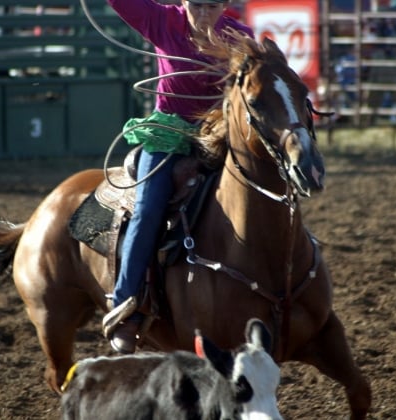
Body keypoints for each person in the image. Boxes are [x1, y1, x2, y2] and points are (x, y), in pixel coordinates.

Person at [103, 0, 254, 354]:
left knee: (260, 192)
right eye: (196, 3)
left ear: (225, 5)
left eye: (212, 5)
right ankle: (126, 306)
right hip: (168, 133)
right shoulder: (162, 21)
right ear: (183, 2)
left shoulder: (239, 36)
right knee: (148, 209)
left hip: (218, 134)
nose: (204, 12)